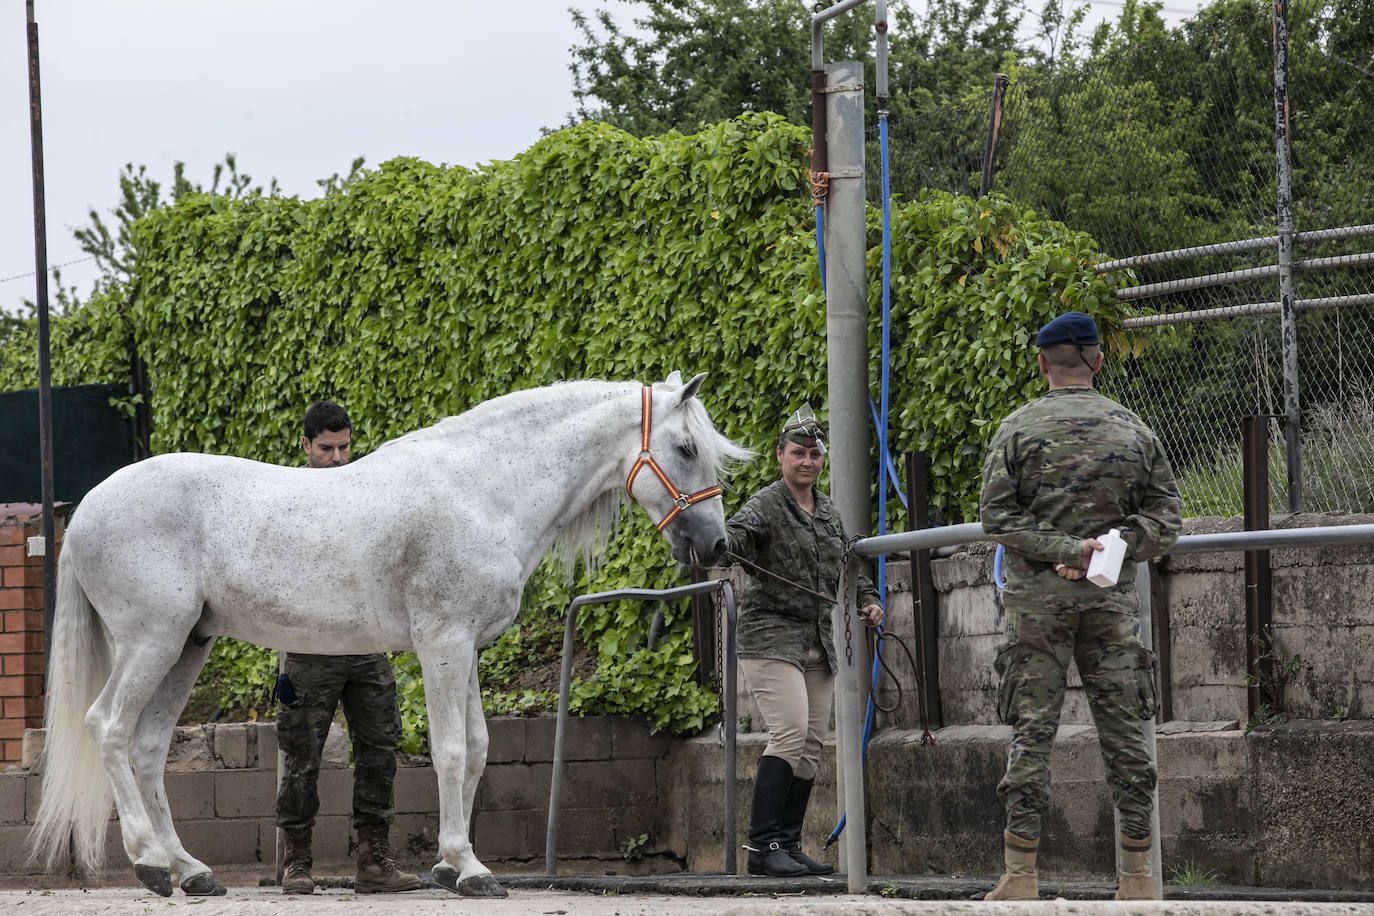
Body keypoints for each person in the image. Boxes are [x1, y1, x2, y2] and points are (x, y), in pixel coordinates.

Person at [977, 311, 1182, 901]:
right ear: (1096, 359)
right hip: (1109, 606)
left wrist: (1066, 550)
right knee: (1126, 738)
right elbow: (1166, 518)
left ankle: (1020, 876)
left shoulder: (1016, 429)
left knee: (1032, 736)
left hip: (1036, 611)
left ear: (1043, 362)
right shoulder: (1134, 430)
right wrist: (1106, 553)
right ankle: (1138, 878)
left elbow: (997, 518)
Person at [725, 405, 884, 877]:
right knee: (790, 732)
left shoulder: (830, 509)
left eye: (814, 454)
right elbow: (734, 537)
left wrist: (869, 597)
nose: (807, 461)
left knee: (813, 743)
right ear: (780, 456)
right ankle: (760, 848)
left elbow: (849, 562)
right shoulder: (765, 504)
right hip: (770, 636)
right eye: (798, 453)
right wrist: (718, 541)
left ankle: (787, 846)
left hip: (818, 640)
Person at [276, 400, 422, 896]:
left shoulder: (368, 490)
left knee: (380, 749)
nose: (337, 458)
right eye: (326, 449)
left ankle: (374, 862)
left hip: (366, 645)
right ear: (305, 446)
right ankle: (296, 864)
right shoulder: (287, 496)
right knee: (301, 757)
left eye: (344, 448)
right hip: (309, 647)